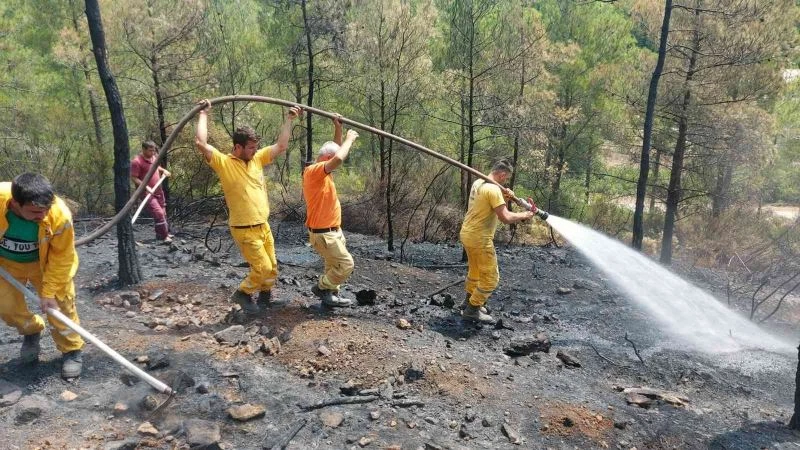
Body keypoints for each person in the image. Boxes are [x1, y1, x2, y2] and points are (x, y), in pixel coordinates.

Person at [195, 100, 302, 314]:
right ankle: (243, 293)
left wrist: (289, 119)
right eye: (251, 148)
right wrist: (204, 114)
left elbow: (281, 146)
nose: (255, 151)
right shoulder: (223, 162)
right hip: (244, 229)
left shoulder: (257, 159)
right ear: (237, 147)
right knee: (261, 267)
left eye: (255, 147)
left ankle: (265, 299)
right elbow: (201, 142)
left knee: (271, 267)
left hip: (263, 226)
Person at [0, 173, 85, 378]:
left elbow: (62, 258)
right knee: (6, 307)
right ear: (15, 203)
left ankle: (72, 350)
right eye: (36, 211)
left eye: (46, 209)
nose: (43, 215)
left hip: (45, 264)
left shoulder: (59, 216)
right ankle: (31, 330)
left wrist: (48, 293)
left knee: (60, 304)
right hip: (8, 264)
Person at [460, 159, 534, 323]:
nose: (506, 181)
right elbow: (506, 217)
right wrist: (525, 215)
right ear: (501, 174)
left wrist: (506, 197)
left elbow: (492, 205)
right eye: (506, 178)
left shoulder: (479, 182)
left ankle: (468, 302)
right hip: (480, 238)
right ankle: (473, 309)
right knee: (491, 278)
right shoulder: (492, 189)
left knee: (476, 272)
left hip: (467, 234)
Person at [302, 115, 358, 307]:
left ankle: (330, 295)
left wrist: (338, 128)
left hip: (333, 231)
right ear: (327, 159)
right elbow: (339, 158)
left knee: (333, 266)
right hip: (324, 234)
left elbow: (335, 149)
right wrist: (350, 139)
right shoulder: (314, 171)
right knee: (346, 264)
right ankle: (321, 287)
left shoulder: (323, 171)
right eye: (331, 161)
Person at [130, 141, 172, 243]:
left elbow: (156, 167)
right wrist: (146, 187)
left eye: (154, 150)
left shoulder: (154, 157)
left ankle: (161, 233)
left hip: (158, 190)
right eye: (150, 150)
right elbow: (134, 178)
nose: (153, 152)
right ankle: (164, 236)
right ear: (143, 149)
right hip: (147, 193)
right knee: (158, 213)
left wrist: (163, 171)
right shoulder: (137, 162)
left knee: (163, 212)